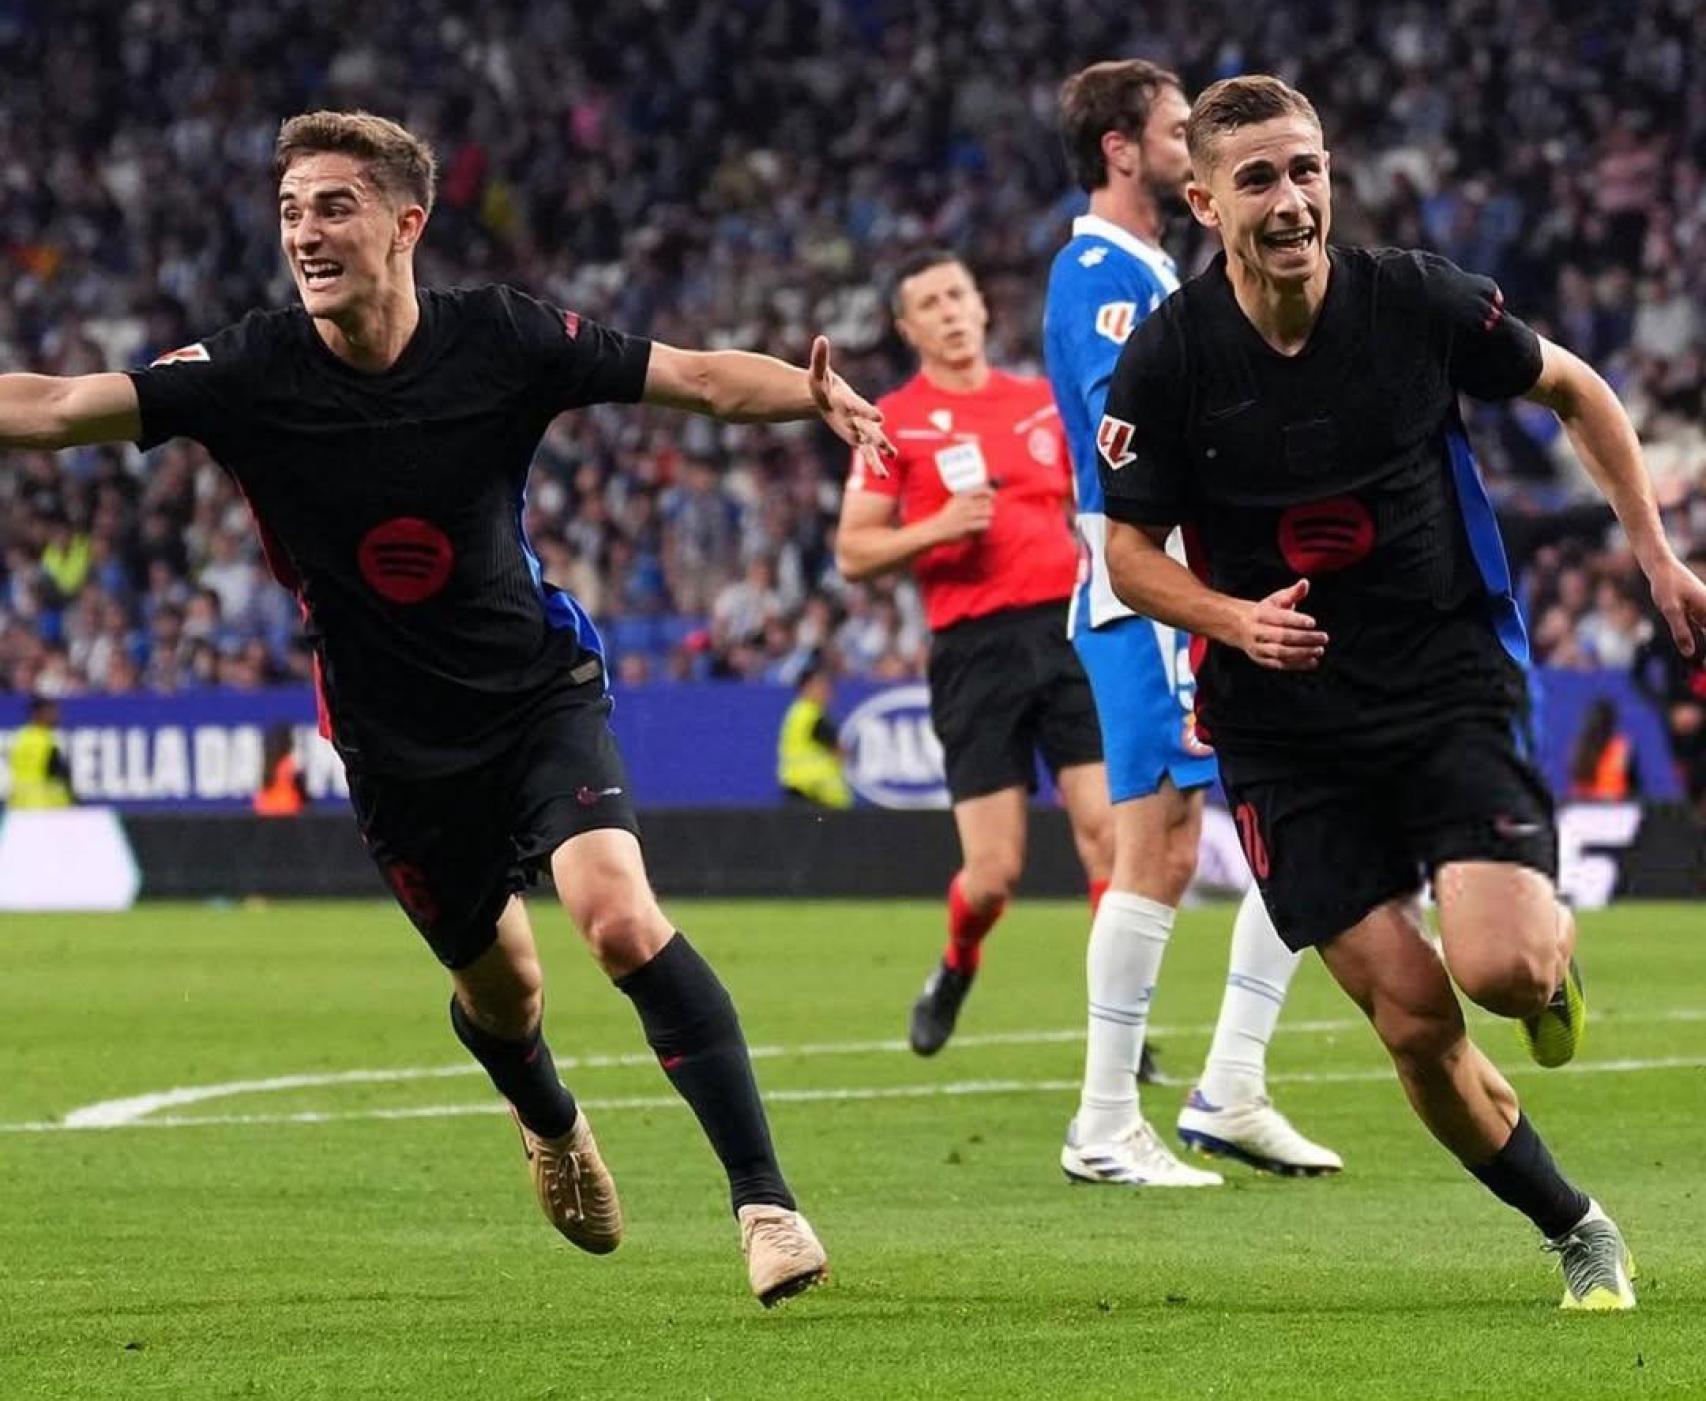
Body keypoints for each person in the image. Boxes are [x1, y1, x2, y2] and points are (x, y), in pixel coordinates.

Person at [0, 110, 895, 1308]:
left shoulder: (504, 338)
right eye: (290, 211)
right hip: (391, 741)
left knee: (618, 920)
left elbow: (683, 378)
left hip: (534, 690)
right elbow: (58, 407)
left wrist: (810, 395)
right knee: (504, 993)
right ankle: (551, 1121)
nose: (304, 232)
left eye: (333, 206)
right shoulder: (248, 370)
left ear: (404, 222)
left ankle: (765, 1205)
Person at [1098, 73, 1706, 1309]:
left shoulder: (1414, 300)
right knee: (1414, 1023)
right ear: (1206, 202)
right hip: (1282, 732)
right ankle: (1574, 1225)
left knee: (1499, 973)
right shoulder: (1166, 359)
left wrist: (1651, 548)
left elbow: (1575, 389)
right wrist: (1230, 622)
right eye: (1257, 179)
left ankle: (1547, 962)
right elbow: (1122, 554)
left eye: (1305, 169)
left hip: (1441, 684)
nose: (1290, 200)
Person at [1044, 59, 1341, 1184]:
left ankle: (1228, 1085)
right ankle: (1109, 1119)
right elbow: (1130, 439)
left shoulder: (1150, 265)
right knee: (1159, 846)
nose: (1188, 148)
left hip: (1184, 588)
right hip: (1148, 591)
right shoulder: (1099, 273)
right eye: (1175, 131)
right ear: (1122, 148)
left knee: (1291, 812)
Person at [835, 250, 1136, 1079]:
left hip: (1070, 632)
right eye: (929, 303)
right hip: (974, 652)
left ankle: (1120, 1031)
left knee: (1108, 839)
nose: (950, 312)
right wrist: (935, 530)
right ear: (908, 328)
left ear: (981, 307)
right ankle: (959, 960)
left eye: (958, 295)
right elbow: (854, 551)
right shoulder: (894, 421)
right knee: (996, 873)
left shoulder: (1042, 403)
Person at [777, 659, 852, 809]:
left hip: (798, 788)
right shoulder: (812, 716)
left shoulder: (797, 713)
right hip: (814, 793)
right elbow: (839, 751)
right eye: (821, 686)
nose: (827, 691)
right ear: (807, 687)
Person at [7, 695, 74, 809]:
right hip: (45, 806)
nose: (56, 716)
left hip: (19, 806)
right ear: (37, 715)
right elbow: (60, 777)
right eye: (51, 712)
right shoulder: (46, 743)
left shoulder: (19, 738)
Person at [253, 723, 308, 816]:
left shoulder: (266, 762)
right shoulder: (290, 762)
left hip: (266, 809)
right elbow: (302, 791)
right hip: (287, 809)